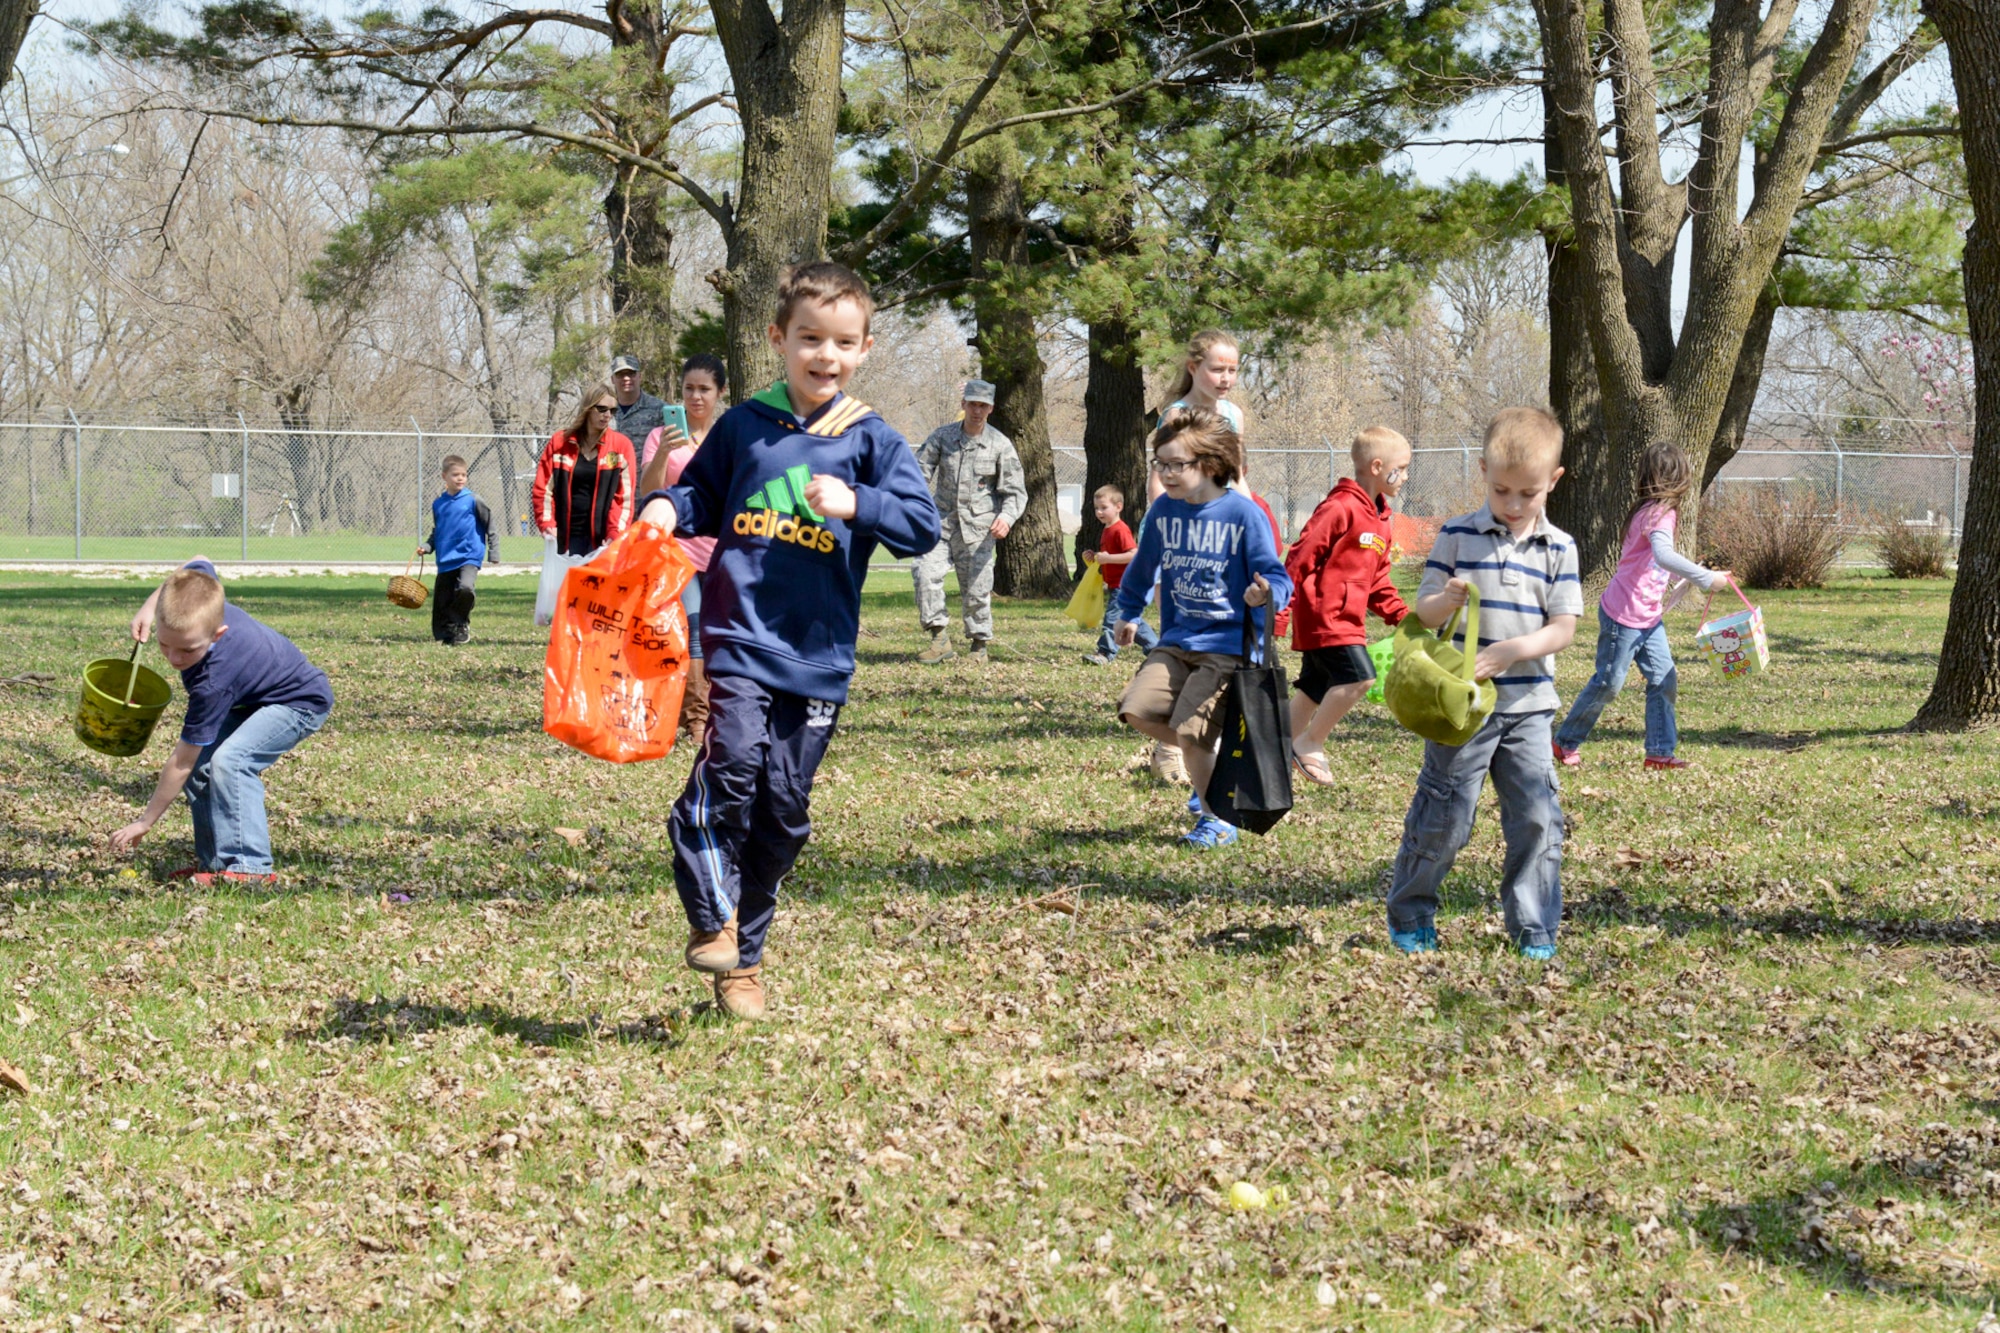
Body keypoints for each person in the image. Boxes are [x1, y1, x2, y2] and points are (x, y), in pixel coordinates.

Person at [634, 262, 940, 1020]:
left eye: (841, 342)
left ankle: (747, 956)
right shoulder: (745, 425)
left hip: (819, 655)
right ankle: (714, 916)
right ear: (779, 339)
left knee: (783, 805)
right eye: (809, 338)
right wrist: (670, 509)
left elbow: (921, 527)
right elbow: (701, 490)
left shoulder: (870, 438)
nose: (823, 355)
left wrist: (858, 503)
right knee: (731, 763)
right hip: (738, 637)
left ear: (864, 347)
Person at [1384, 407, 1582, 961]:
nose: (1514, 505)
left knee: (1537, 819)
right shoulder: (1455, 535)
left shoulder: (1560, 548)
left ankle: (1535, 928)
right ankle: (1411, 912)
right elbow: (1420, 613)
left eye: (1528, 493)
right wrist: (1440, 600)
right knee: (1445, 815)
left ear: (1554, 481)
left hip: (1530, 706)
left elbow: (1563, 628)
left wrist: (1509, 652)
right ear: (1483, 472)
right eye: (1501, 491)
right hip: (1459, 709)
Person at [1111, 408, 1291, 850]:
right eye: (1161, 463)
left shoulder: (1243, 515)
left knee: (1193, 734)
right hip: (1176, 642)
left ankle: (1216, 818)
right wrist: (1129, 612)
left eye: (1177, 464)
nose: (1166, 473)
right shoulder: (1162, 513)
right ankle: (1211, 760)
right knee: (1135, 708)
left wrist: (1264, 594)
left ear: (1209, 464)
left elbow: (1278, 577)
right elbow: (1142, 568)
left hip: (1226, 645)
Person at [107, 558, 333, 885]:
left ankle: (250, 868)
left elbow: (182, 759)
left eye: (187, 649)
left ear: (218, 634)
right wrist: (149, 605)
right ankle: (216, 864)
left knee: (231, 761)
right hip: (251, 698)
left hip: (298, 701)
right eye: (164, 644)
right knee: (204, 766)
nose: (173, 658)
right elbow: (199, 563)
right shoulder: (203, 596)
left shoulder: (212, 680)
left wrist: (146, 821)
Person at [1554, 441, 1729, 771]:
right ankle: (1563, 743)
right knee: (1608, 683)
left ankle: (1660, 753)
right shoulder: (1658, 514)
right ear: (1678, 476)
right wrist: (1706, 578)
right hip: (1623, 616)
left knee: (1664, 679)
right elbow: (1663, 555)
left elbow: (1656, 561)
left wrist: (1692, 575)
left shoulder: (1654, 511)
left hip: (1647, 617)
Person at [1283, 426, 1414, 785]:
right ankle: (1310, 742)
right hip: (1324, 616)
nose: (1404, 476)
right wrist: (1279, 609)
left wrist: (1401, 617)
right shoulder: (1340, 507)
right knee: (1360, 677)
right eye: (1399, 468)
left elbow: (1378, 580)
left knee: (1314, 687)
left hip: (1348, 619)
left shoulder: (1382, 520)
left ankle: (1271, 753)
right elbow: (1299, 558)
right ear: (1376, 466)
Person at [637, 353, 731, 749]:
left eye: (704, 389)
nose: (695, 397)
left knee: (717, 635)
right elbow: (648, 492)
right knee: (692, 628)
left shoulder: (730, 437)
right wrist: (662, 454)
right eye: (689, 388)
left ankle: (719, 715)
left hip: (724, 550)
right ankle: (696, 721)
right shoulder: (661, 436)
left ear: (720, 393)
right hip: (677, 552)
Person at [911, 379, 1027, 664]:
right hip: (940, 524)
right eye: (972, 404)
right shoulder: (943, 437)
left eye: (983, 405)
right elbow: (917, 472)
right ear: (963, 405)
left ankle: (978, 646)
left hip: (977, 530)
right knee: (924, 573)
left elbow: (1015, 491)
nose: (977, 410)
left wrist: (1007, 517)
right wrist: (911, 502)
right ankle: (939, 639)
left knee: (976, 589)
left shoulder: (1000, 445)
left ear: (991, 408)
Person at [533, 384, 637, 557]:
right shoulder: (560, 443)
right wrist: (547, 525)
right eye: (602, 408)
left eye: (612, 410)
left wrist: (615, 533)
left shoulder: (621, 446)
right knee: (561, 585)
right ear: (588, 408)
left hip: (603, 541)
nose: (607, 415)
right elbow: (543, 489)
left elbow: (624, 499)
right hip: (565, 537)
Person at [418, 454, 497, 646]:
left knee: (465, 588)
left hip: (469, 555)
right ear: (444, 476)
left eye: (463, 474)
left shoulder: (473, 500)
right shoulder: (438, 504)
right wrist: (428, 547)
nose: (460, 478)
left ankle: (461, 623)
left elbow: (490, 525)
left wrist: (494, 551)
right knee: (442, 599)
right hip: (446, 557)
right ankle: (446, 633)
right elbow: (438, 531)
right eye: (455, 475)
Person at [1080, 483, 1156, 666]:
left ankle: (1105, 653)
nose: (1099, 512)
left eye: (1104, 507)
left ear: (1118, 507)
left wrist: (1109, 558)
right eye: (1096, 508)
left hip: (1125, 584)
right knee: (1131, 620)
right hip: (1116, 584)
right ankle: (1157, 649)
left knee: (1112, 619)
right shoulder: (1107, 529)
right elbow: (1107, 557)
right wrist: (1095, 557)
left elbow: (1133, 554)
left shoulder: (1120, 529)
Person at [610, 354, 667, 444]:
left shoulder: (659, 408)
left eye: (631, 373)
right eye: (620, 374)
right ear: (612, 379)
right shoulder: (606, 410)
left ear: (640, 376)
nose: (626, 378)